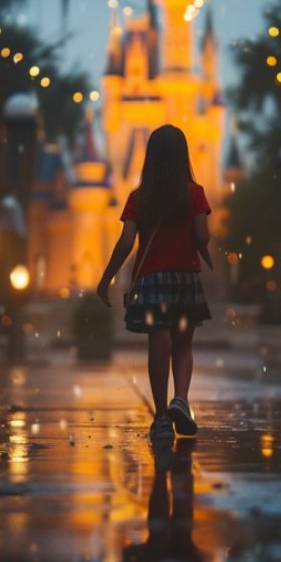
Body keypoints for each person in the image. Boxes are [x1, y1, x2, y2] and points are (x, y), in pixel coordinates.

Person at [97, 125, 213, 445]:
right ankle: (182, 400)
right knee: (183, 345)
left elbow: (126, 242)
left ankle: (161, 416)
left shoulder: (139, 198)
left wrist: (106, 277)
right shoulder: (195, 193)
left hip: (151, 280)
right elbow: (202, 236)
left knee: (158, 345)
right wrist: (200, 244)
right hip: (185, 277)